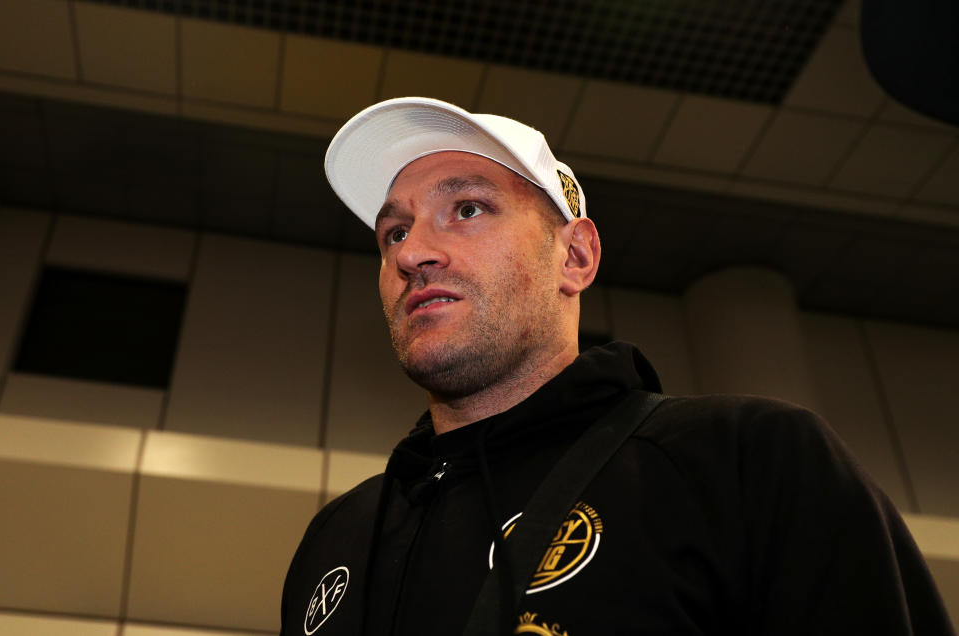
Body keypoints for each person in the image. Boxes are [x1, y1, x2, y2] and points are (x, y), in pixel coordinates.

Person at [281, 97, 954, 636]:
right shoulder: (340, 537)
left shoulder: (747, 461)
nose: (412, 252)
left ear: (574, 257)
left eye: (467, 209)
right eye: (394, 231)